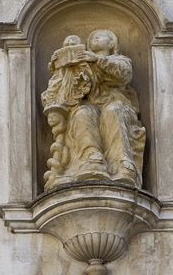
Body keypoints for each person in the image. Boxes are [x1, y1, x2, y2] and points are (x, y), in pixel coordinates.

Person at [41, 30, 145, 191]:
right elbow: (70, 87)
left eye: (101, 36)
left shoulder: (120, 60)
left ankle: (121, 162)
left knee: (113, 111)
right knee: (82, 113)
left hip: (117, 104)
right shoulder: (85, 63)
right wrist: (60, 65)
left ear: (112, 44)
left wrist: (97, 60)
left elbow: (124, 74)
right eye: (92, 37)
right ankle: (91, 158)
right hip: (92, 106)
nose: (96, 38)